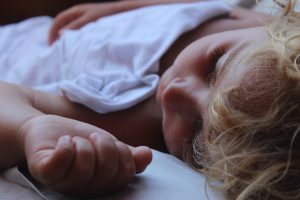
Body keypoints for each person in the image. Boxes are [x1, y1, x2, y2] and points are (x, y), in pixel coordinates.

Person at [0, 0, 298, 199]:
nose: (174, 93)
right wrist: (121, 9)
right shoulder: (258, 26)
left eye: (196, 131)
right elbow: (206, 8)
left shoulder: (132, 118)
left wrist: (28, 127)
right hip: (42, 28)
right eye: (214, 67)